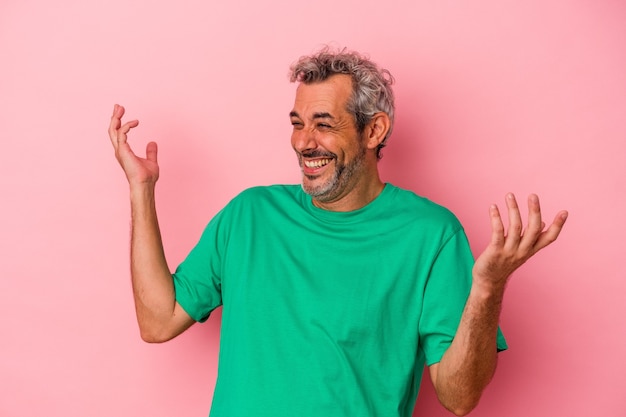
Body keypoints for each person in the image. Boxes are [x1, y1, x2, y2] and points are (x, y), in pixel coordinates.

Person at [108, 47, 567, 417]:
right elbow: (158, 319)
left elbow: (459, 397)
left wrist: (486, 289)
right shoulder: (249, 215)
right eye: (298, 123)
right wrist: (141, 188)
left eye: (324, 125)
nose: (304, 142)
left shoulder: (431, 235)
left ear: (374, 130)